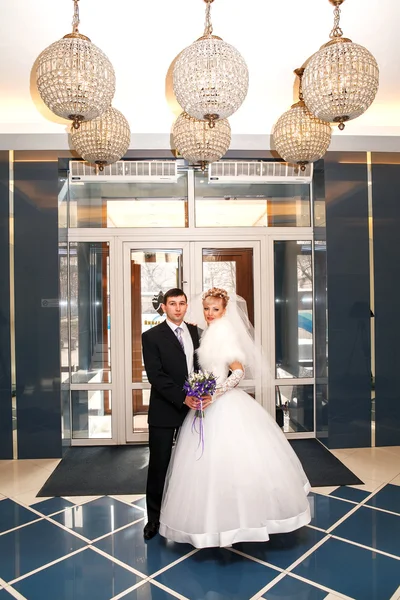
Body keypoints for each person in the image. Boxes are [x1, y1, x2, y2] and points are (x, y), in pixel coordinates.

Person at [159, 287, 311, 548]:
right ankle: (219, 523)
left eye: (215, 309)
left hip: (224, 405)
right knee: (209, 467)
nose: (209, 313)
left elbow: (238, 373)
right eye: (206, 308)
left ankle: (235, 523)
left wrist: (215, 394)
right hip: (206, 406)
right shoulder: (207, 333)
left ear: (225, 310)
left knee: (232, 464)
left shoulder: (225, 335)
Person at [141, 288, 208, 540]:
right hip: (165, 409)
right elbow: (156, 376)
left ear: (186, 306)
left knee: (193, 464)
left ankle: (189, 515)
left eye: (182, 303)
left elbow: (200, 366)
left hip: (195, 410)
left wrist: (202, 391)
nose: (177, 308)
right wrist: (183, 397)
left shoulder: (195, 332)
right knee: (159, 465)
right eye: (172, 303)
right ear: (164, 307)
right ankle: (154, 520)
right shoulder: (151, 336)